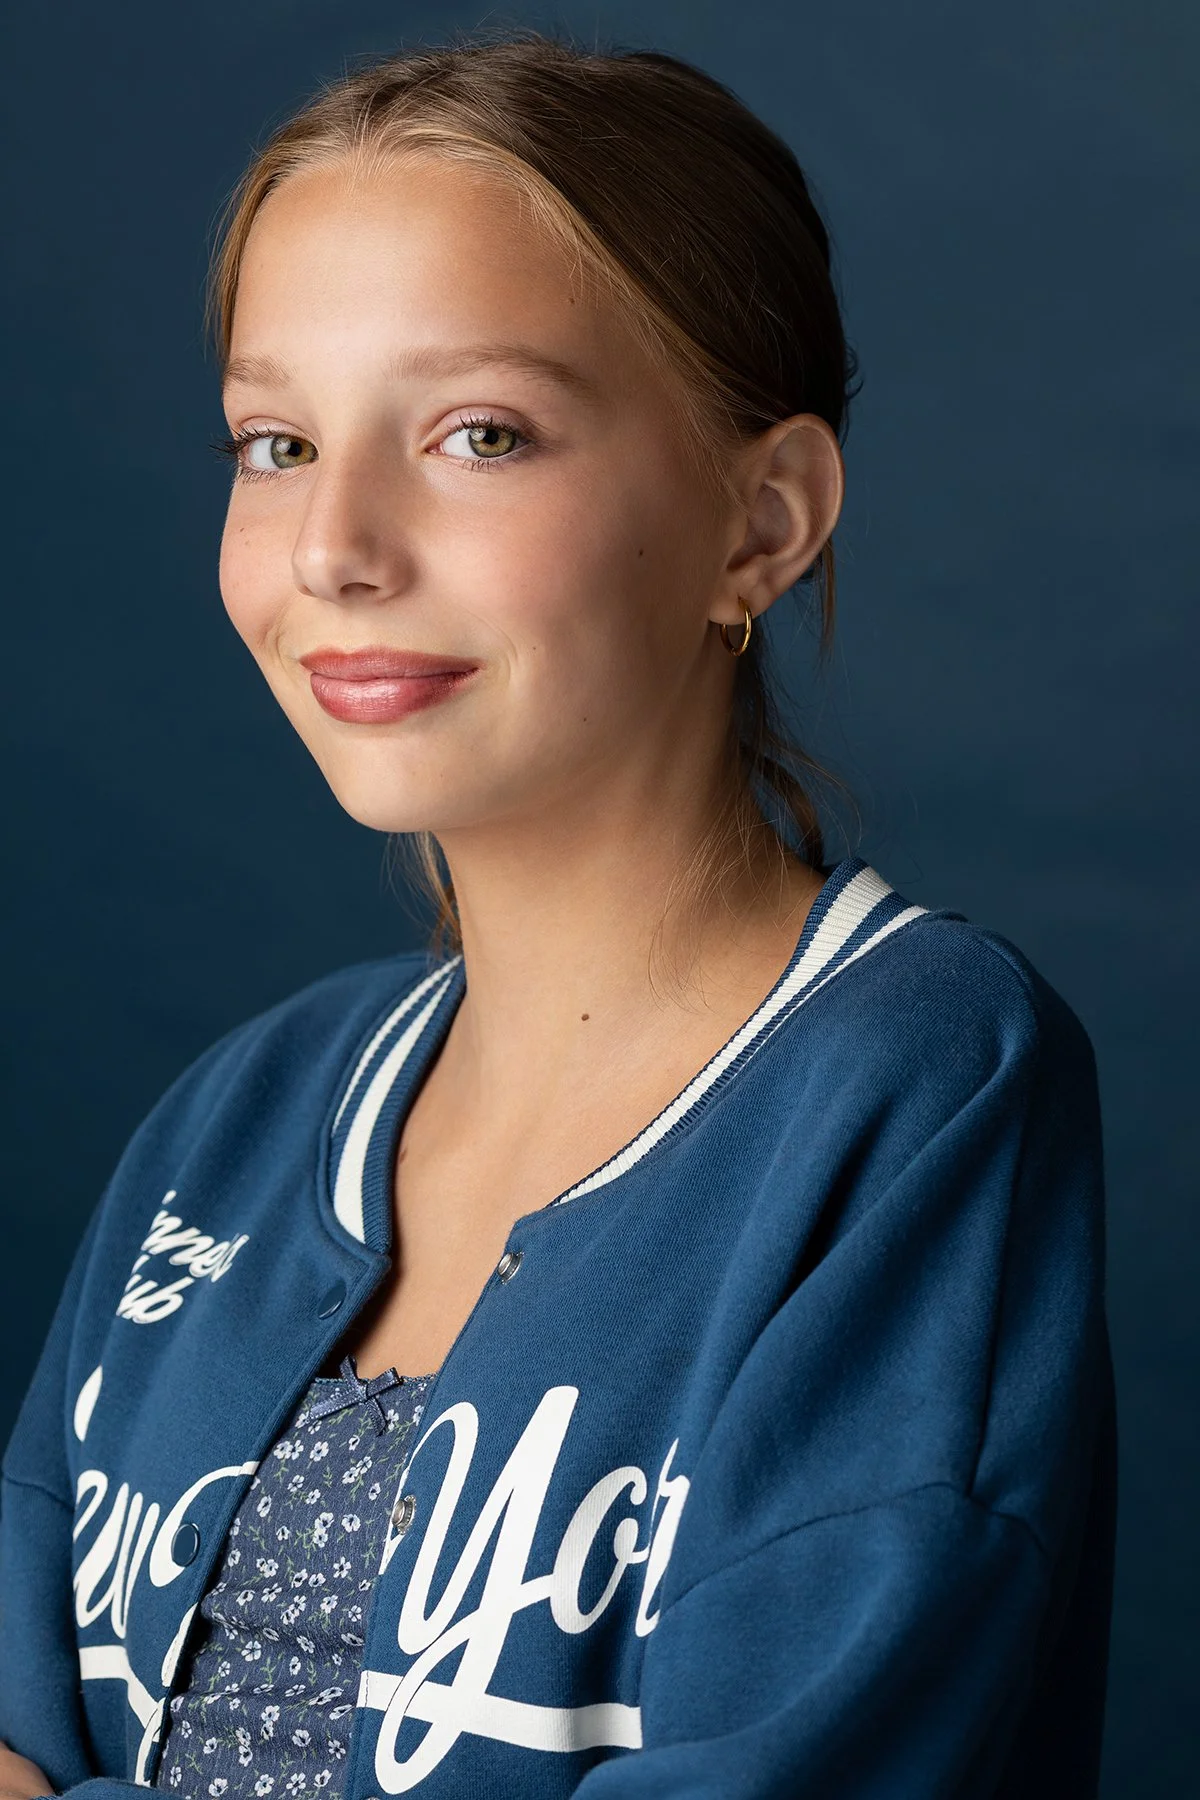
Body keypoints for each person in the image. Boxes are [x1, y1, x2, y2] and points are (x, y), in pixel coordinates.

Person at [0, 33, 1115, 1800]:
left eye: (480, 435)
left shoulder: (914, 1085)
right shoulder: (236, 1119)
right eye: (277, 442)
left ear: (761, 522)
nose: (334, 547)